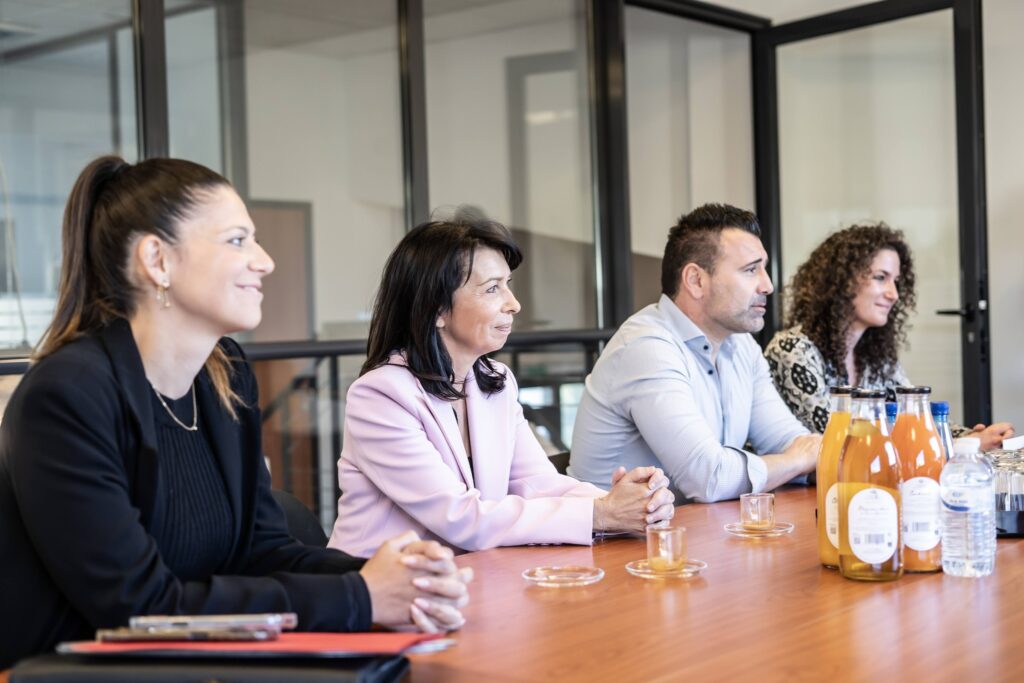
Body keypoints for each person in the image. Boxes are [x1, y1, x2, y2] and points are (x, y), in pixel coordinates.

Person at [0, 156, 469, 669]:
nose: (264, 261)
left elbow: (261, 550)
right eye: (237, 240)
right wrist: (361, 596)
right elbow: (139, 608)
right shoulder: (68, 396)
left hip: (200, 667)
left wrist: (400, 582)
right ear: (157, 260)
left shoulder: (224, 376)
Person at [328, 217, 675, 558]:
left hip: (471, 575)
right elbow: (461, 518)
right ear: (437, 309)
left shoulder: (495, 381)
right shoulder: (380, 396)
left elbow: (537, 483)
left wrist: (625, 503)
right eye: (492, 288)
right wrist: (602, 513)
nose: (513, 303)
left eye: (507, 284)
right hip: (379, 585)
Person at [568, 203, 821, 504]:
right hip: (611, 532)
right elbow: (709, 479)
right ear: (696, 281)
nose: (767, 285)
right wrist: (797, 461)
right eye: (751, 270)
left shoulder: (741, 345)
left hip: (693, 526)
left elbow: (790, 441)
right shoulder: (647, 347)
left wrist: (808, 457)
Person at [764, 223, 1013, 449]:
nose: (894, 294)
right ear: (841, 281)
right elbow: (838, 441)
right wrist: (963, 444)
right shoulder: (792, 349)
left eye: (896, 281)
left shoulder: (874, 357)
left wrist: (971, 435)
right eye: (880, 278)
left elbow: (916, 416)